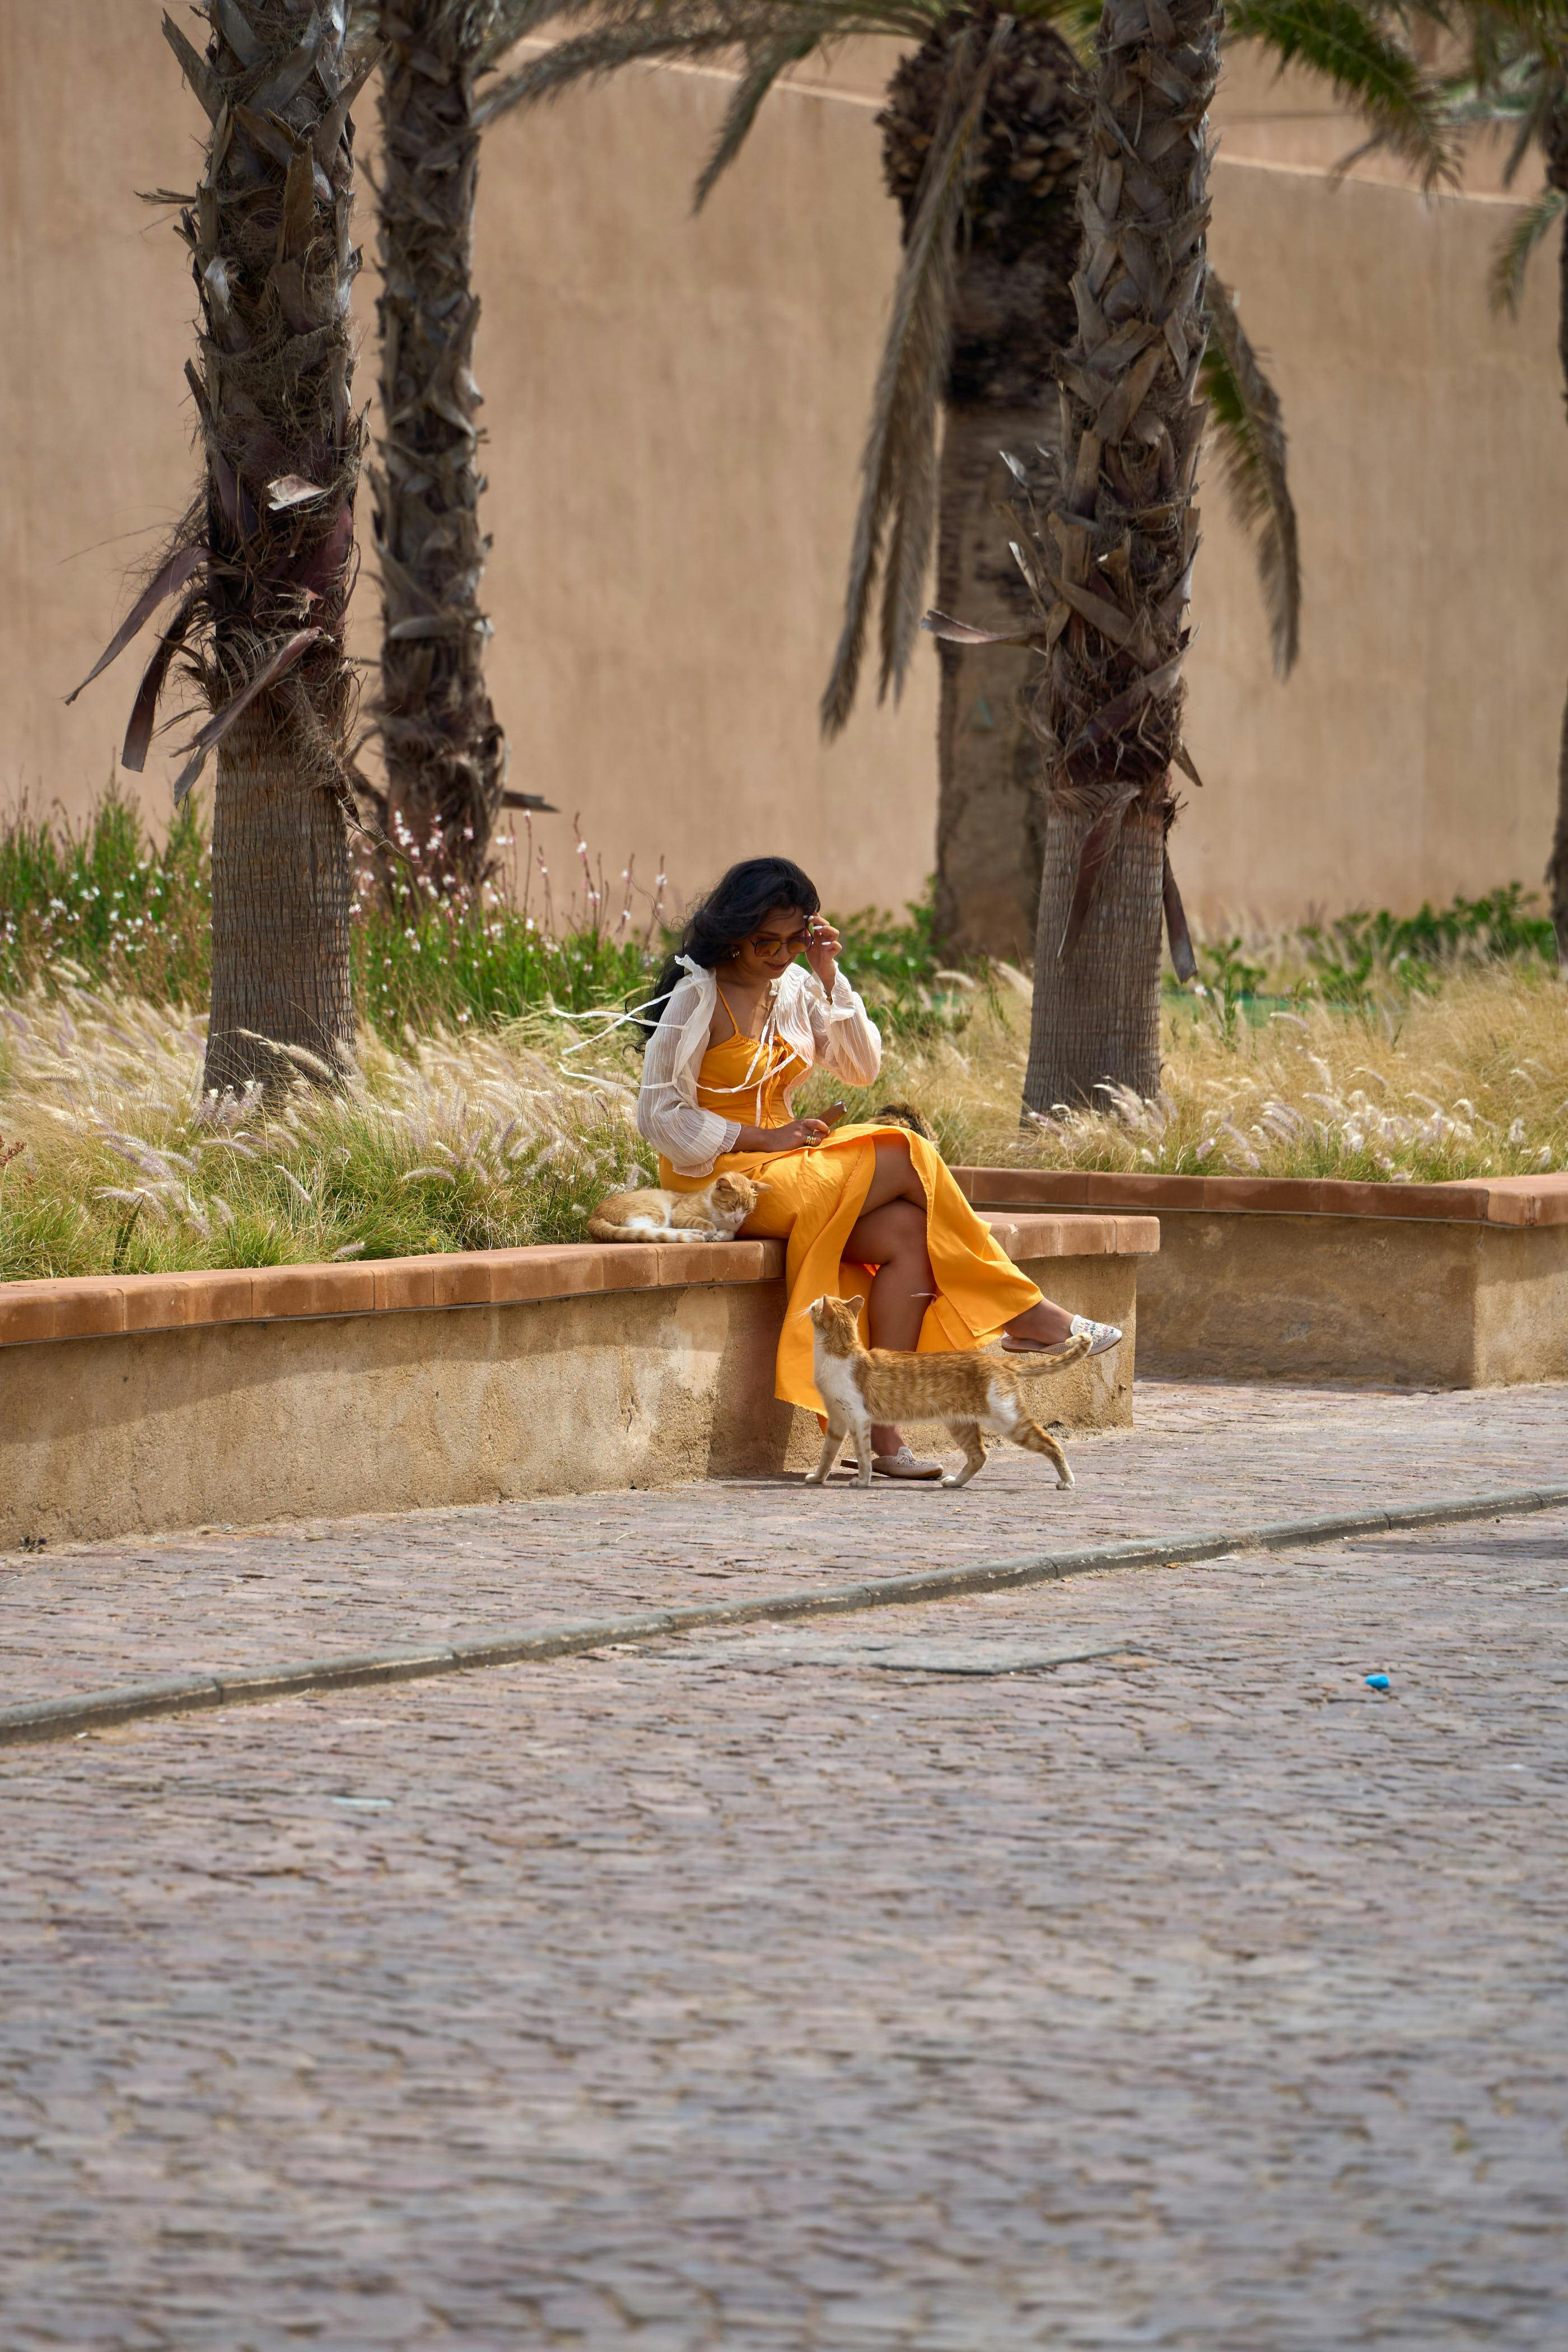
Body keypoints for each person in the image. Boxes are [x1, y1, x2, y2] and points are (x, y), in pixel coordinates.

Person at [636, 856, 1121, 1479]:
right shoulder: (696, 995)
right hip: (718, 1178)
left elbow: (861, 1069)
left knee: (907, 1237)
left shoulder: (797, 988)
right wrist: (762, 1135)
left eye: (795, 940)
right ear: (734, 932)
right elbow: (660, 1117)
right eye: (766, 943)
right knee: (902, 1148)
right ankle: (1025, 1313)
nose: (780, 955)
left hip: (787, 1161)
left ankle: (882, 1433)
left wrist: (828, 975)